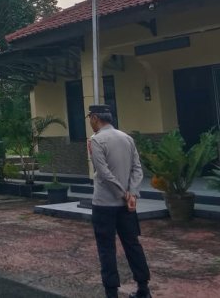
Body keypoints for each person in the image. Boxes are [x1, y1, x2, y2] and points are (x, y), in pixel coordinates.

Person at [87, 105, 152, 298]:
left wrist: (123, 194)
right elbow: (137, 169)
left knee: (106, 248)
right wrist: (132, 194)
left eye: (90, 118)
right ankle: (143, 288)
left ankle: (111, 292)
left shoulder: (96, 140)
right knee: (132, 244)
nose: (90, 121)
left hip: (104, 204)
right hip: (126, 206)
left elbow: (104, 173)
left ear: (96, 118)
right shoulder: (127, 138)